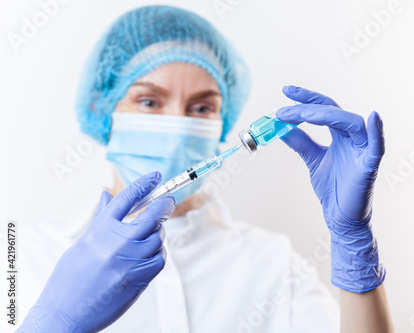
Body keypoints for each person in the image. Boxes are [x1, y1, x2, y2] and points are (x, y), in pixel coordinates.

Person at [14, 5, 393, 333]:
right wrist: (55, 322)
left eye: (201, 108)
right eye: (148, 101)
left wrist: (352, 241)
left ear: (222, 124)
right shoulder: (21, 257)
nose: (177, 127)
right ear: (102, 111)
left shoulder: (272, 264)